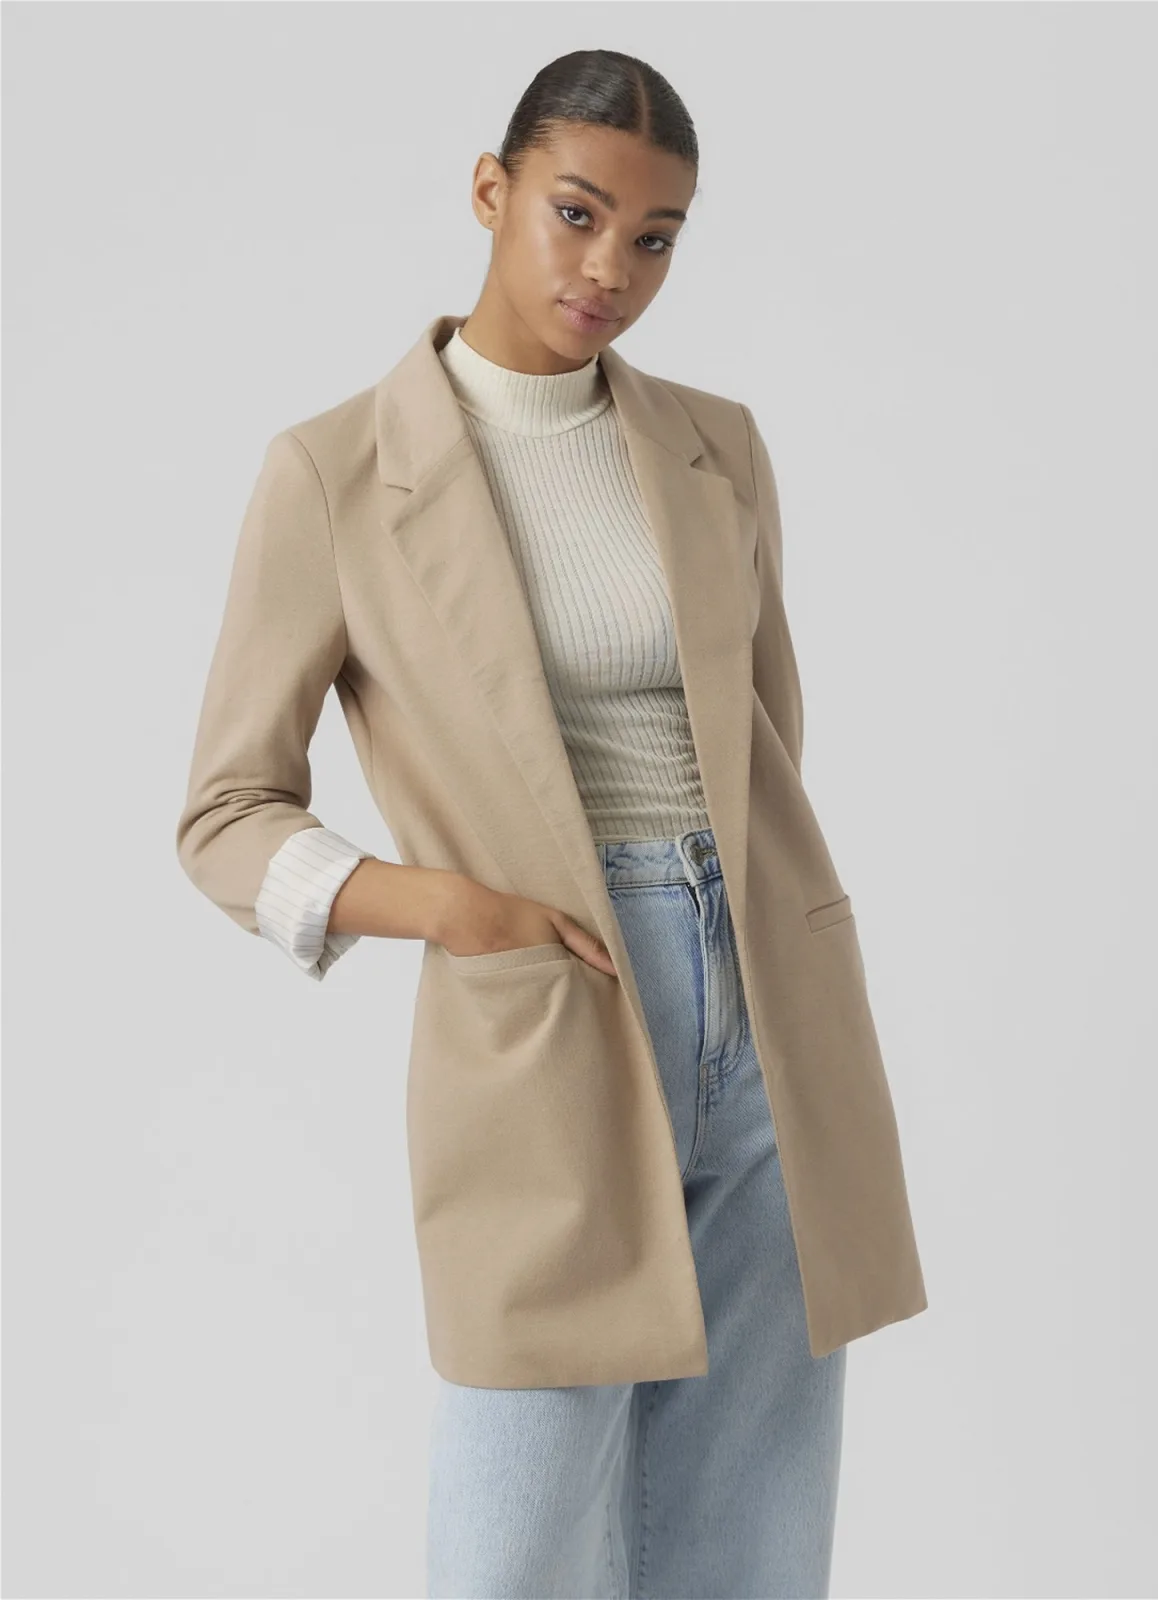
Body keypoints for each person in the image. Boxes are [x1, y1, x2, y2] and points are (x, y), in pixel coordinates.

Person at [177, 46, 928, 1600]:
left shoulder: (718, 446)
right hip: (554, 998)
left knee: (752, 1536)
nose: (610, 269)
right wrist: (446, 908)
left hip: (766, 1004)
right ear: (490, 190)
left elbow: (766, 739)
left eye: (654, 237)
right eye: (576, 215)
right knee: (512, 1546)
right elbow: (226, 814)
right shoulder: (334, 473)